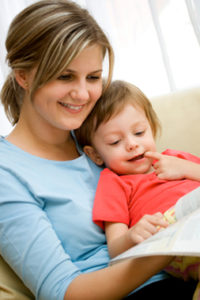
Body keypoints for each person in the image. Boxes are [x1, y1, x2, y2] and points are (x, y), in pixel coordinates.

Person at [75, 79, 200, 298]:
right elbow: (115, 248)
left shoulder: (175, 158)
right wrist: (133, 235)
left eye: (139, 133)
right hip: (177, 245)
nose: (132, 144)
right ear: (95, 154)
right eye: (115, 142)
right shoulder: (114, 182)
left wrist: (186, 168)